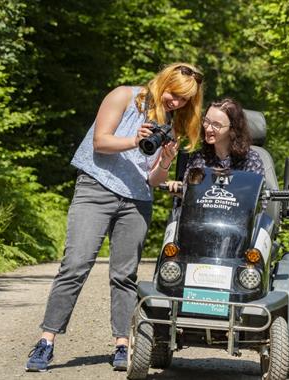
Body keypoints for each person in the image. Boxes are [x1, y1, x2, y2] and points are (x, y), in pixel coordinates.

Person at [25, 62, 203, 372]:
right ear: (163, 83)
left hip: (136, 199)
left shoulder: (171, 126)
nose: (176, 102)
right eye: (174, 94)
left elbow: (154, 181)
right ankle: (46, 340)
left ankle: (123, 343)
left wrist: (166, 161)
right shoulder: (123, 96)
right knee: (76, 264)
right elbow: (101, 142)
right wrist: (135, 139)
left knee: (125, 274)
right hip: (96, 188)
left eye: (184, 99)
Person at [167, 97, 264, 193]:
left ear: (232, 129)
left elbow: (257, 202)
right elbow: (191, 198)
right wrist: (180, 192)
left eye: (216, 125)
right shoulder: (198, 158)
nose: (208, 129)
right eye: (207, 121)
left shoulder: (250, 160)